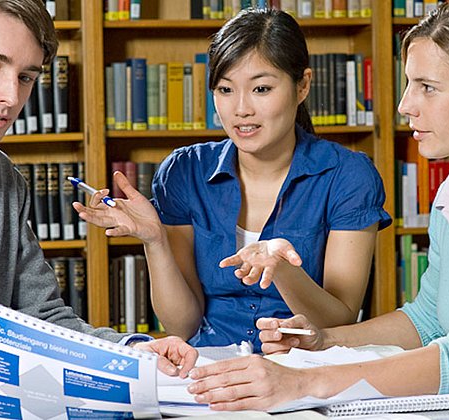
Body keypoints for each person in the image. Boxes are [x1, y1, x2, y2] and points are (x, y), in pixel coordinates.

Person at [184, 1, 449, 418]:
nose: (405, 105)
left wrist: (303, 383)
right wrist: (326, 340)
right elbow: (428, 321)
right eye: (408, 84)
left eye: (427, 87)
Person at [0, 1, 197, 418]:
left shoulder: (4, 176)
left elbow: (41, 316)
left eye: (26, 76)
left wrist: (131, 352)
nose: (11, 97)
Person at [74, 8, 391, 350]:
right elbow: (183, 325)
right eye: (225, 90)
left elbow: (338, 321)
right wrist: (155, 241)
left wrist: (282, 271)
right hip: (208, 367)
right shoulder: (184, 172)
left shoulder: (348, 176)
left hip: (302, 368)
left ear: (303, 86)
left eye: (262, 89)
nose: (241, 109)